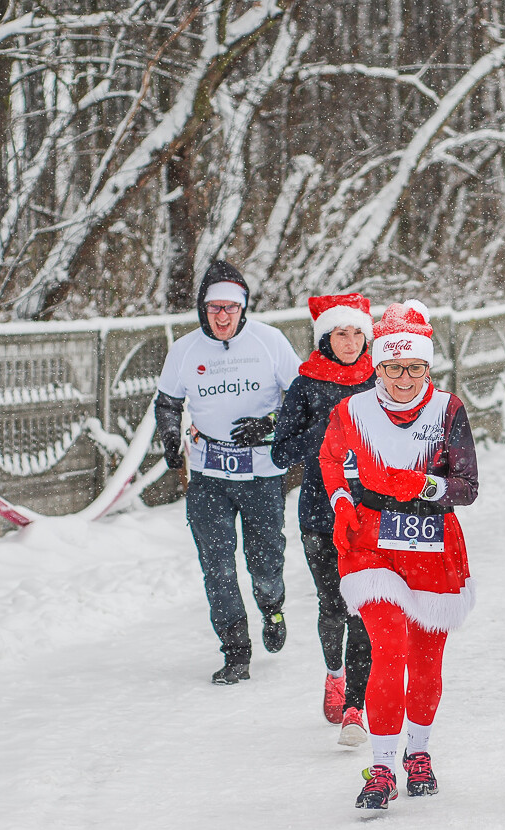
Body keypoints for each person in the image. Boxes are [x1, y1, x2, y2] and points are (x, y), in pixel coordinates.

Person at [318, 300, 478, 810]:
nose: (404, 378)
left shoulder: (448, 409)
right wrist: (342, 502)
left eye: (414, 367)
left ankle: (419, 753)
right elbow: (329, 457)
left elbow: (467, 487)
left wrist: (418, 485)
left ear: (428, 367)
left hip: (432, 544)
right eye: (392, 367)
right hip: (371, 547)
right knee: (388, 650)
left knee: (426, 661)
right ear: (377, 365)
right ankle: (382, 767)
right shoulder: (352, 410)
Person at [154, 261, 301, 685]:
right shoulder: (184, 350)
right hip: (208, 475)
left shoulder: (269, 341)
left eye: (230, 308)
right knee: (216, 566)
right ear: (203, 309)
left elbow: (299, 395)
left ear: (243, 309)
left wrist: (271, 423)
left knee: (265, 563)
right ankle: (236, 651)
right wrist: (168, 437)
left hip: (261, 473)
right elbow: (168, 401)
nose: (222, 316)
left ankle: (272, 607)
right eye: (214, 307)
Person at [271, 293, 377, 744]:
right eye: (340, 333)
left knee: (365, 608)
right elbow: (281, 453)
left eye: (357, 333)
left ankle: (356, 704)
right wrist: (329, 430)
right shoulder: (305, 385)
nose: (350, 342)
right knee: (333, 605)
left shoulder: (382, 379)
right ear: (325, 338)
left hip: (372, 511)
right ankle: (334, 674)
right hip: (320, 512)